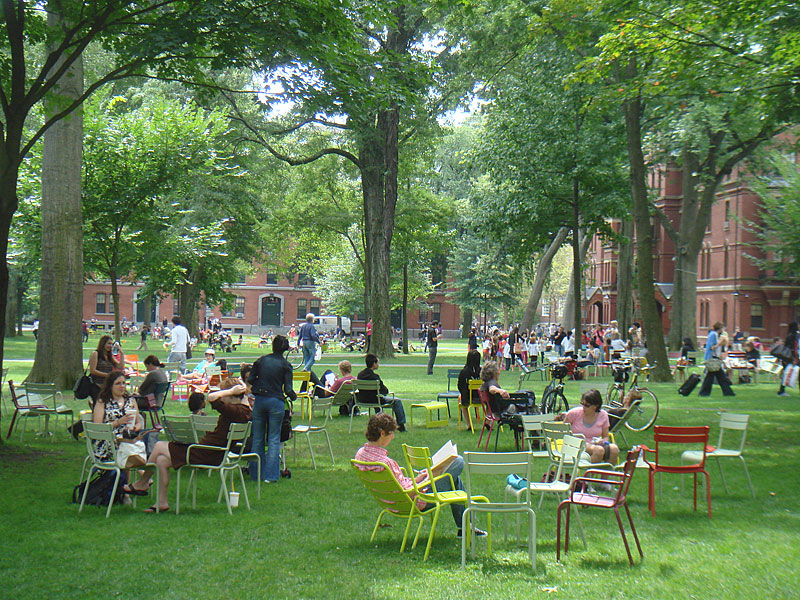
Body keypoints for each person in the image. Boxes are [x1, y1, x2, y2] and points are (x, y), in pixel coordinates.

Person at [126, 379, 251, 512]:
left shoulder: (234, 410)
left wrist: (230, 391)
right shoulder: (245, 410)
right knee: (162, 461)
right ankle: (162, 502)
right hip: (211, 452)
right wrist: (240, 391)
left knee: (158, 446)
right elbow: (238, 399)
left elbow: (211, 398)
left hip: (207, 453)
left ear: (230, 395)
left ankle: (143, 482)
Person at [353, 413, 485, 538]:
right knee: (458, 462)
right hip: (415, 501)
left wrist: (420, 478)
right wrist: (429, 480)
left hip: (392, 501)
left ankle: (466, 528)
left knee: (454, 479)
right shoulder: (385, 463)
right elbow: (408, 493)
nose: (393, 437)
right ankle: (467, 526)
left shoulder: (360, 455)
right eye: (391, 433)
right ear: (382, 434)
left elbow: (400, 487)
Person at [247, 335, 296, 483]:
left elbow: (250, 379)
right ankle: (271, 476)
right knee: (273, 438)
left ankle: (255, 474)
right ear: (286, 348)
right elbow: (288, 389)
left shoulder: (261, 361)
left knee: (258, 438)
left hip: (260, 400)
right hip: (276, 402)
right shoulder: (286, 365)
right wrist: (293, 397)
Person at [559, 389, 619, 464]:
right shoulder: (574, 413)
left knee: (614, 449)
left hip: (594, 443)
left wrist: (602, 441)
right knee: (599, 450)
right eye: (582, 404)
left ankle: (604, 475)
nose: (583, 407)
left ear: (596, 406)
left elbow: (605, 436)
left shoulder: (603, 415)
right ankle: (588, 475)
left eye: (587, 405)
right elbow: (562, 432)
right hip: (575, 444)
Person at [356, 354, 406, 431]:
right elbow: (384, 391)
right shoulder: (375, 377)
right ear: (374, 364)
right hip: (375, 400)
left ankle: (380, 424)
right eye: (377, 363)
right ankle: (401, 425)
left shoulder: (360, 375)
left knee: (376, 399)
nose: (378, 364)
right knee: (397, 401)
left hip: (362, 400)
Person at [699, 322, 735, 397]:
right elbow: (712, 347)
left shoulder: (712, 334)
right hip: (713, 358)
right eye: (722, 328)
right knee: (717, 376)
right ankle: (727, 392)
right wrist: (720, 342)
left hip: (713, 358)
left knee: (718, 376)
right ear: (720, 328)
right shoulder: (714, 334)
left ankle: (727, 392)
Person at [88, 335, 124, 402]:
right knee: (98, 404)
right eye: (108, 343)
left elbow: (120, 366)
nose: (110, 346)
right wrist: (107, 375)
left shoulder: (109, 355)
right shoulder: (96, 353)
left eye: (111, 344)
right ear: (103, 343)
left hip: (106, 385)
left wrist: (121, 353)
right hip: (97, 385)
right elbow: (93, 370)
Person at [457, 350, 481, 432]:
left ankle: (469, 424)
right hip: (481, 398)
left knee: (464, 406)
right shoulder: (482, 372)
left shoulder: (464, 372)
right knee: (489, 404)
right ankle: (487, 422)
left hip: (467, 398)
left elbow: (460, 385)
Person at [777, 321, 799, 397]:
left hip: (789, 358)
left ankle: (781, 391)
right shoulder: (792, 336)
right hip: (791, 358)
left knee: (786, 374)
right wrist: (793, 359)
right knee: (787, 374)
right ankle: (781, 391)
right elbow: (791, 348)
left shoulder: (790, 335)